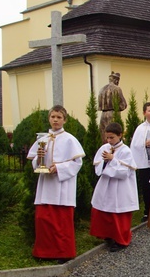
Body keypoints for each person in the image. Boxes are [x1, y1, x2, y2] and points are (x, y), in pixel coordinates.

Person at [26, 105, 85, 262]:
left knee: (61, 222)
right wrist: (39, 159)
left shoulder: (70, 140)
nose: (55, 120)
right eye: (53, 117)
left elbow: (77, 163)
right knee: (43, 220)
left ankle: (64, 253)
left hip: (62, 186)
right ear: (49, 119)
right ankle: (44, 252)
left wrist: (58, 168)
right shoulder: (42, 140)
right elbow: (36, 165)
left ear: (64, 120)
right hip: (46, 186)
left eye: (59, 117)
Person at [90, 122, 138, 252]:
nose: (109, 140)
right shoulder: (104, 148)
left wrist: (112, 160)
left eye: (112, 137)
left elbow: (125, 172)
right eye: (107, 137)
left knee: (118, 214)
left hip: (121, 187)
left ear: (120, 135)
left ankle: (121, 240)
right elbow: (98, 168)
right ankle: (108, 235)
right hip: (106, 185)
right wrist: (105, 163)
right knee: (104, 210)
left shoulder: (126, 151)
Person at [98, 71, 127, 142]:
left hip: (103, 115)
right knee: (113, 134)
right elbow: (123, 104)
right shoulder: (117, 89)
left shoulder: (102, 89)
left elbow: (99, 104)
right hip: (113, 113)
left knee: (104, 136)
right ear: (116, 80)